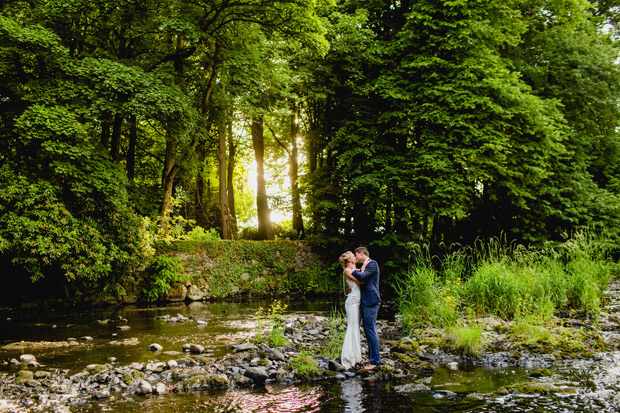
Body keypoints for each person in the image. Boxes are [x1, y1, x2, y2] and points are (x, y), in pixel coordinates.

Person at [351, 246, 381, 370]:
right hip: (365, 301)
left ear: (362, 253)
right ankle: (371, 356)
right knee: (367, 330)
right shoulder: (365, 265)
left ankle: (376, 361)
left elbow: (362, 277)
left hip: (372, 301)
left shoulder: (372, 264)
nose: (355, 257)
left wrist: (352, 270)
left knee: (371, 331)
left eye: (356, 255)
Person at [339, 251, 366, 370]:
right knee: (352, 327)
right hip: (352, 301)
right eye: (353, 256)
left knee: (356, 327)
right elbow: (361, 280)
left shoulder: (354, 269)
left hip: (357, 300)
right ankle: (348, 358)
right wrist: (365, 266)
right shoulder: (347, 271)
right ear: (349, 260)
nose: (355, 257)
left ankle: (356, 357)